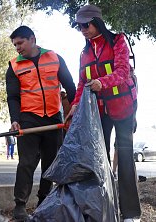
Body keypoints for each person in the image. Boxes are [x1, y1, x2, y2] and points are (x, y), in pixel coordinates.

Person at [68, 5, 140, 222]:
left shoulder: (118, 41)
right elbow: (82, 82)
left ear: (97, 22)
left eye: (85, 25)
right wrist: (74, 105)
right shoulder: (85, 52)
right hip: (100, 112)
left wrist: (101, 82)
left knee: (126, 158)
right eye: (79, 26)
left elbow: (122, 72)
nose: (82, 29)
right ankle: (105, 210)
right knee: (100, 160)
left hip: (124, 109)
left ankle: (131, 214)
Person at [6, 25, 76, 220]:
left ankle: (44, 202)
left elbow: (70, 87)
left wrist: (74, 110)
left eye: (20, 43)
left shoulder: (54, 58)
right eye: (15, 45)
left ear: (32, 39)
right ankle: (20, 206)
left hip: (54, 118)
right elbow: (12, 97)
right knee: (26, 163)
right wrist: (15, 120)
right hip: (29, 119)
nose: (17, 48)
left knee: (50, 164)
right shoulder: (14, 65)